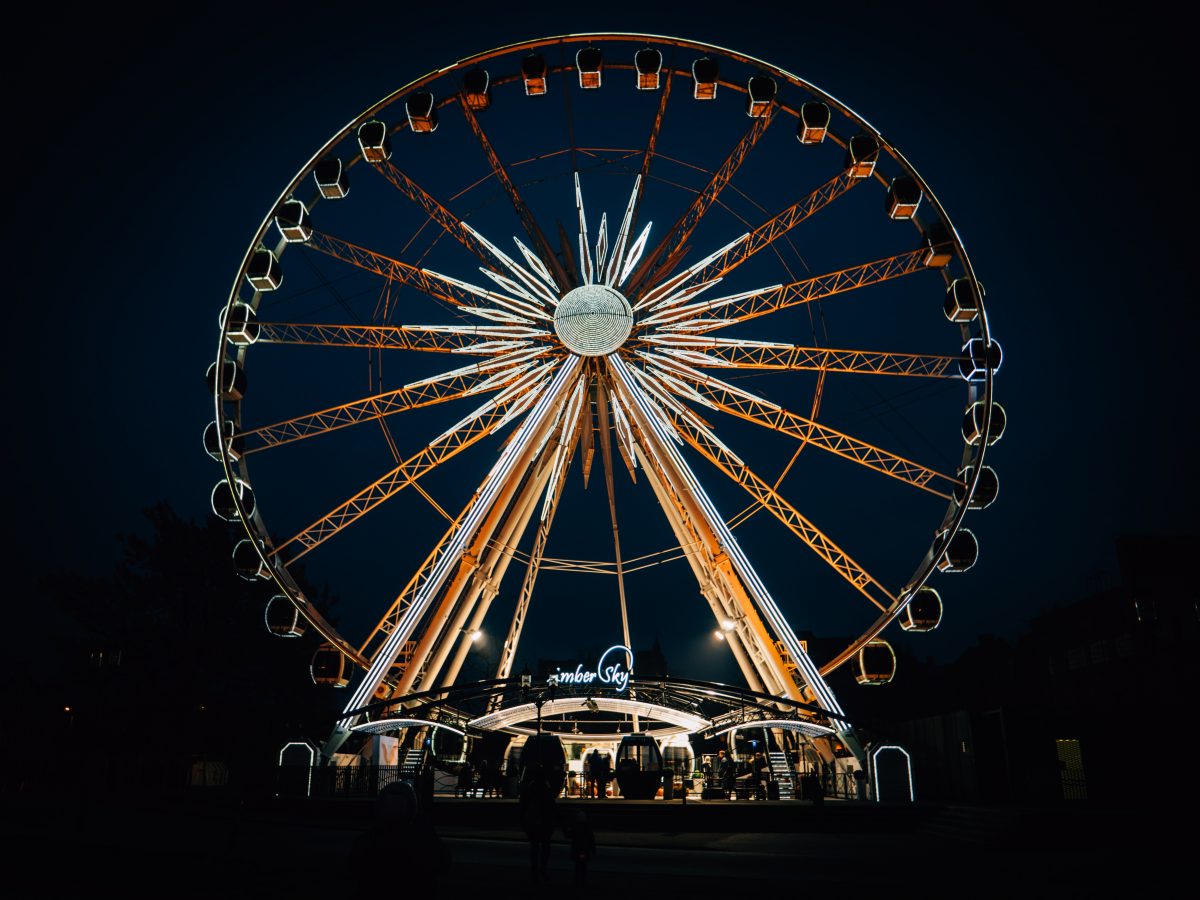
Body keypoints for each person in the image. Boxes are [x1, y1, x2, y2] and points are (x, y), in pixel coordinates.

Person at [348, 780, 449, 890]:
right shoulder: (422, 835)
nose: (395, 809)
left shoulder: (372, 836)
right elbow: (443, 863)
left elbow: (355, 868)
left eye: (399, 805)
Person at [519, 765, 557, 882]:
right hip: (545, 823)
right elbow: (552, 806)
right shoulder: (547, 788)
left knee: (534, 847)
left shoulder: (530, 788)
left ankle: (534, 871)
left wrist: (524, 822)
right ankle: (543, 869)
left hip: (533, 823)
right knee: (545, 847)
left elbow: (523, 806)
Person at [565, 809, 596, 885]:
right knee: (583, 866)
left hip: (577, 849)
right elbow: (591, 840)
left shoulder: (575, 827)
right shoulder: (587, 828)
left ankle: (577, 880)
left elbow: (568, 835)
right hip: (585, 849)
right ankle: (582, 881)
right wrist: (593, 850)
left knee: (577, 866)